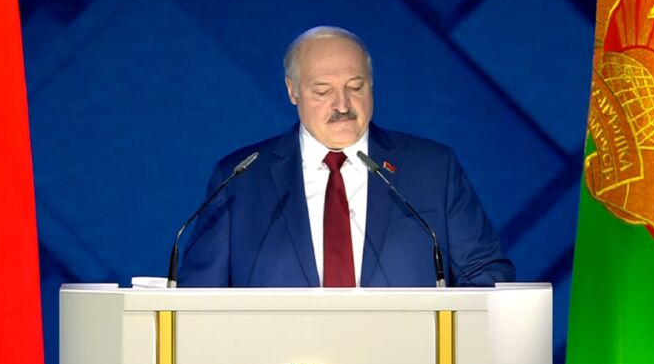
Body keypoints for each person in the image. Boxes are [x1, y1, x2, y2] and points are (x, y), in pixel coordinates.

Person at [179, 26, 515, 287]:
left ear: (372, 84)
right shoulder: (239, 179)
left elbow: (486, 275)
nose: (342, 105)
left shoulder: (434, 169)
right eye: (322, 91)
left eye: (355, 87)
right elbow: (199, 296)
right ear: (292, 90)